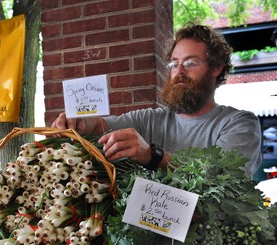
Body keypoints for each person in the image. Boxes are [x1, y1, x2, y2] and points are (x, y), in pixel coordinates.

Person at [52, 23, 262, 178]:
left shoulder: (238, 123)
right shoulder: (150, 119)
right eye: (174, 64)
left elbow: (225, 183)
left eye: (190, 62)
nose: (179, 71)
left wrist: (154, 156)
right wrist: (79, 123)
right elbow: (99, 126)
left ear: (217, 68)